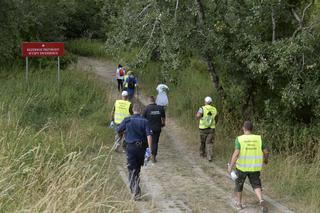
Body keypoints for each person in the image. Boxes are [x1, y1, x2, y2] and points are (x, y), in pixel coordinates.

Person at [227, 121, 269, 212]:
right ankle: (261, 200)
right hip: (255, 167)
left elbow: (236, 154)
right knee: (256, 184)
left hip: (242, 168)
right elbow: (266, 151)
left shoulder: (239, 139)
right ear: (251, 129)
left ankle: (239, 204)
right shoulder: (259, 138)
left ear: (244, 128)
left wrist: (230, 166)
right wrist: (266, 160)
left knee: (239, 184)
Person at [117, 104, 153, 200]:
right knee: (137, 169)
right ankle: (136, 190)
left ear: (132, 110)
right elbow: (149, 135)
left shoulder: (127, 120)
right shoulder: (145, 121)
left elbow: (119, 130)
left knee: (132, 170)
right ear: (140, 111)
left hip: (131, 148)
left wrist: (124, 133)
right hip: (142, 149)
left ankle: (136, 192)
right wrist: (149, 150)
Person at [143, 96, 166, 162]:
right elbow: (163, 117)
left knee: (148, 142)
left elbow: (143, 119)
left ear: (149, 101)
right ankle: (154, 156)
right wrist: (163, 124)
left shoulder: (146, 108)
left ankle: (147, 156)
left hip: (148, 128)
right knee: (155, 142)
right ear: (154, 100)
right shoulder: (160, 108)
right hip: (157, 128)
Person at [196, 96, 218, 162]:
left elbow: (198, 116)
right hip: (211, 129)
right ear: (211, 102)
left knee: (202, 141)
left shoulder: (202, 108)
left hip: (203, 129)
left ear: (205, 102)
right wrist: (214, 123)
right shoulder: (214, 109)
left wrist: (199, 117)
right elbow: (217, 118)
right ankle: (209, 156)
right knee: (209, 142)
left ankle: (202, 153)